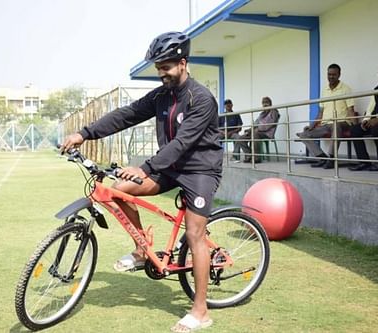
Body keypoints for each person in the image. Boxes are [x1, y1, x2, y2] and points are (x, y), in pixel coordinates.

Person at [61, 31, 221, 332]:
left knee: (196, 235)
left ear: (183, 63)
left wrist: (145, 168)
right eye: (159, 68)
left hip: (200, 169)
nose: (162, 73)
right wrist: (84, 133)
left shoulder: (201, 99)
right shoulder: (162, 96)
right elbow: (127, 114)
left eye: (167, 67)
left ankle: (201, 311)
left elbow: (183, 143)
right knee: (114, 192)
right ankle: (141, 249)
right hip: (170, 167)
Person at [296, 64, 356, 169]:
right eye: (329, 74)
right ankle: (323, 158)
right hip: (325, 124)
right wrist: (312, 125)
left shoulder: (346, 89)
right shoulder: (324, 90)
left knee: (336, 125)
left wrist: (356, 126)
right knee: (303, 134)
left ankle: (332, 158)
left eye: (334, 74)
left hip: (341, 123)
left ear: (339, 75)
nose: (331, 77)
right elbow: (321, 112)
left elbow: (351, 110)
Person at [234, 96, 279, 163]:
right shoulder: (262, 114)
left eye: (267, 102)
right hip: (257, 131)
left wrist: (258, 129)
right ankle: (249, 155)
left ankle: (257, 158)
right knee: (241, 138)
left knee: (255, 134)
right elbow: (255, 123)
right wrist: (249, 130)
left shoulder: (274, 111)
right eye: (263, 103)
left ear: (270, 103)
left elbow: (270, 124)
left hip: (266, 133)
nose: (265, 104)